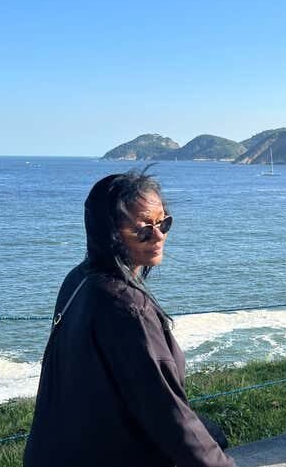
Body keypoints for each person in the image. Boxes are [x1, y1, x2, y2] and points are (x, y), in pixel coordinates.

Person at [24, 170, 235, 467]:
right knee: (208, 441)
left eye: (163, 223)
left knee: (214, 434)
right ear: (109, 233)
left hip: (56, 450)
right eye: (144, 228)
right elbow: (167, 413)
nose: (159, 235)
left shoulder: (79, 280)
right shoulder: (128, 308)